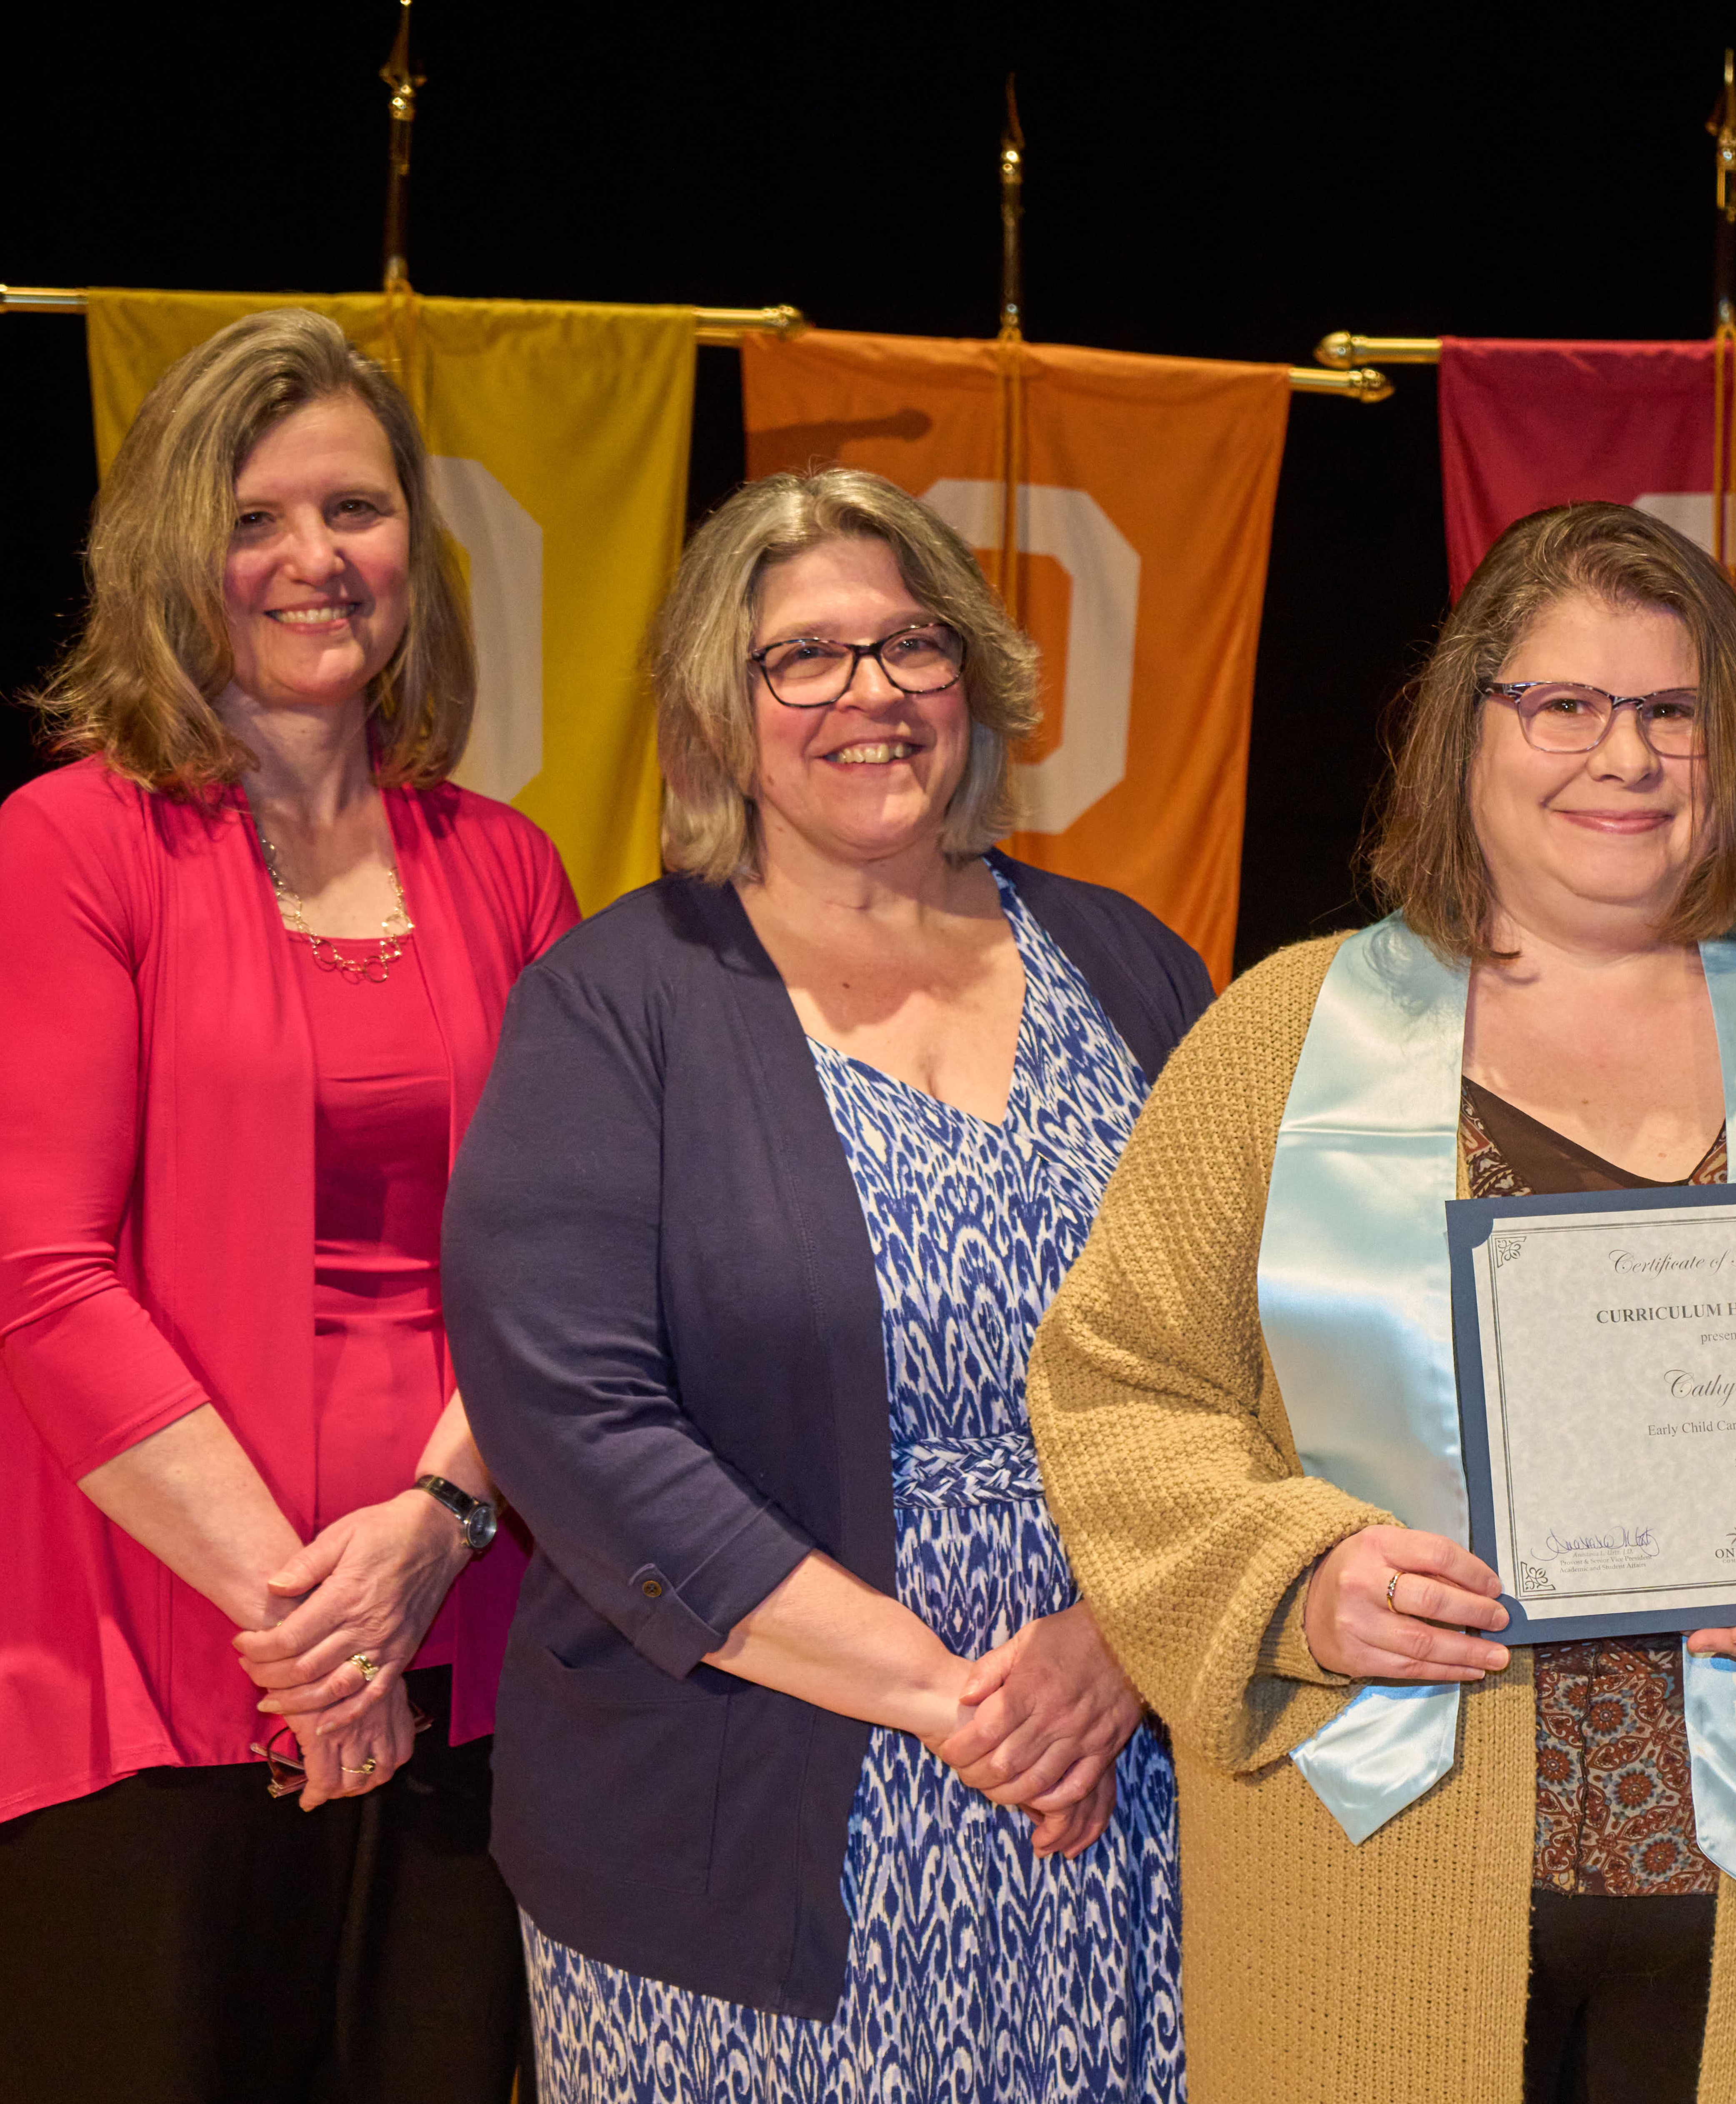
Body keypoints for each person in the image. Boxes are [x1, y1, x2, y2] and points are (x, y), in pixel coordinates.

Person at [1024, 500, 1736, 2104]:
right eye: (1564, 705)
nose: (1624, 757)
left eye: (1671, 710)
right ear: (1468, 728)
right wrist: (1298, 1583)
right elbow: (1122, 1385)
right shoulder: (1285, 1034)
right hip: (1371, 1861)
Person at [442, 465, 1208, 2101]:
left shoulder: (1133, 968)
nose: (868, 693)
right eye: (805, 657)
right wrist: (949, 1698)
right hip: (738, 1829)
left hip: (1109, 1805)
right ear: (723, 708)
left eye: (909, 646)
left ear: (974, 681)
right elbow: (569, 1417)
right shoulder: (614, 1005)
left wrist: (1120, 1649)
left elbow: (1266, 1358)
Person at [0, 308, 577, 2101]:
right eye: (258, 518)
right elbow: (40, 1275)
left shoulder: (511, 868)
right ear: (176, 557)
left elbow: (568, 1274)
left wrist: (430, 1540)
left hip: (468, 1665)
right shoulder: (72, 844)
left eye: (357, 509)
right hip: (146, 1677)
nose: (316, 560)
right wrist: (315, 1638)